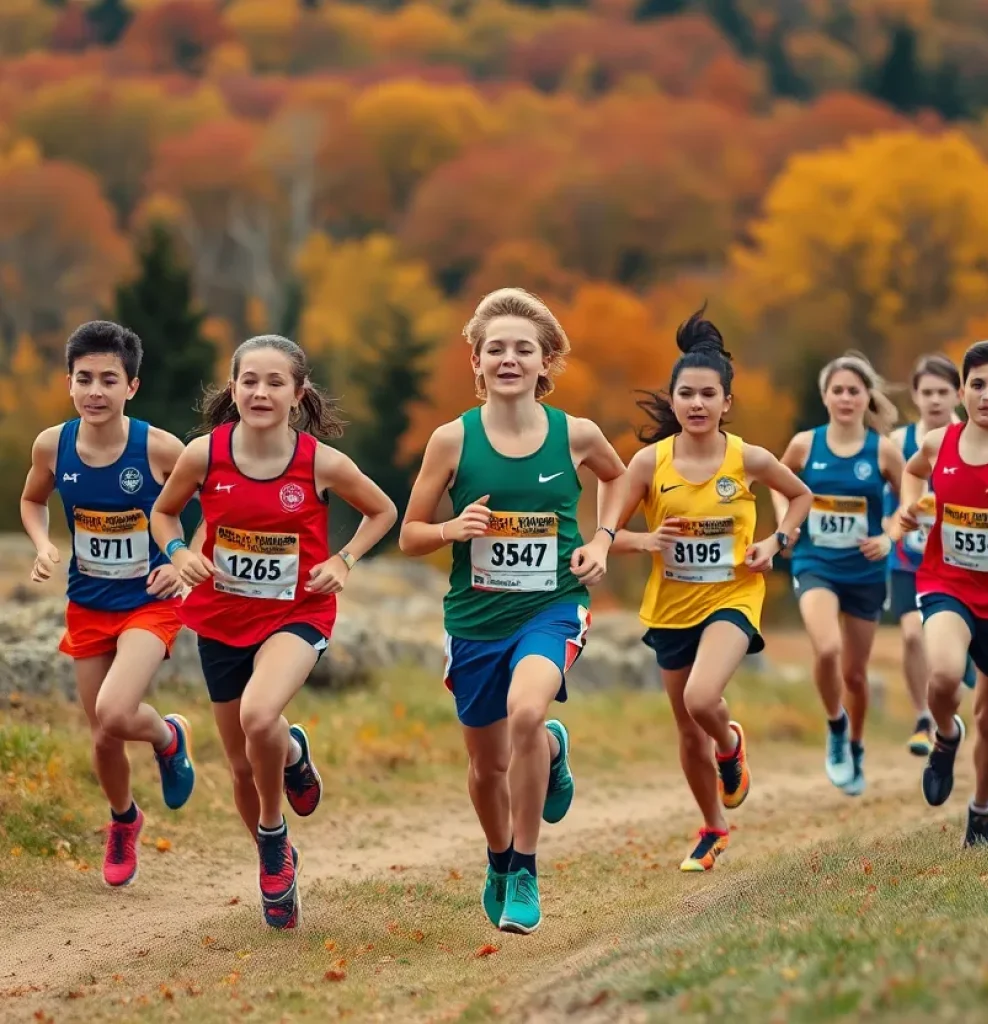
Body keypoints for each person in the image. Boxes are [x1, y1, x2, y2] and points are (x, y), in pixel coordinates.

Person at [399, 288, 628, 935]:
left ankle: (525, 868)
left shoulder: (576, 434)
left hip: (552, 607)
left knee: (527, 711)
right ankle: (500, 853)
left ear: (545, 362)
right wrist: (451, 531)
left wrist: (602, 539)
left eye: (522, 349)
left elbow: (619, 480)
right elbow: (410, 533)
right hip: (475, 622)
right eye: (494, 348)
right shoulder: (451, 442)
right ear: (474, 362)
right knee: (486, 767)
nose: (508, 358)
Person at [151, 335, 396, 929]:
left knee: (259, 714)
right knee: (241, 763)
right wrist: (180, 550)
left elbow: (383, 510)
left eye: (274, 382)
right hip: (221, 617)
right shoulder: (203, 455)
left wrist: (344, 561)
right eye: (249, 381)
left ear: (297, 393)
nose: (261, 392)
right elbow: (162, 513)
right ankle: (285, 791)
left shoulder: (321, 462)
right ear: (232, 389)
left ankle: (270, 833)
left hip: (297, 613)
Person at [609, 308, 812, 872]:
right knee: (686, 723)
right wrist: (645, 540)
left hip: (732, 597)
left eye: (708, 394)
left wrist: (776, 544)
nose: (696, 404)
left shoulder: (748, 458)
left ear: (726, 402)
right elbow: (605, 536)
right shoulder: (650, 462)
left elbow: (800, 497)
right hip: (670, 608)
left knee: (702, 701)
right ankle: (712, 828)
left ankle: (731, 746)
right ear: (672, 401)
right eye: (686, 394)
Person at [19, 321, 195, 889]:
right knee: (102, 735)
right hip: (87, 602)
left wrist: (181, 557)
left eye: (108, 380)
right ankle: (124, 820)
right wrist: (44, 542)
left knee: (118, 712)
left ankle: (168, 737)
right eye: (84, 379)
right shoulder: (53, 444)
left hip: (149, 601)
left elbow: (217, 502)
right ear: (69, 383)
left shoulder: (160, 448)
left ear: (131, 387)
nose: (95, 391)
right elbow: (30, 499)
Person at [898, 339, 988, 848]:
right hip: (947, 583)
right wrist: (909, 507)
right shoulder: (938, 443)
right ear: (963, 390)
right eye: (977, 385)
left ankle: (981, 809)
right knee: (946, 673)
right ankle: (945, 734)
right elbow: (911, 471)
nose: (987, 395)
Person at [775, 352, 903, 797]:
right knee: (826, 648)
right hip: (816, 564)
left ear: (867, 396)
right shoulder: (805, 445)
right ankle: (835, 726)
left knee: (856, 675)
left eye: (854, 390)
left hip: (865, 570)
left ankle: (856, 744)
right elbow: (780, 483)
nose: (846, 398)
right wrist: (784, 528)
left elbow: (909, 506)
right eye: (838, 390)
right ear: (824, 395)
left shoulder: (882, 450)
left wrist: (888, 535)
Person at [884, 355, 975, 757]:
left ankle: (957, 673)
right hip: (909, 558)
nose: (935, 401)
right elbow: (884, 503)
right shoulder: (899, 443)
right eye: (927, 393)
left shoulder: (973, 438)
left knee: (952, 657)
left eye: (943, 392)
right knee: (909, 634)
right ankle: (923, 718)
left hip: (961, 560)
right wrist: (892, 526)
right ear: (915, 397)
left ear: (958, 394)